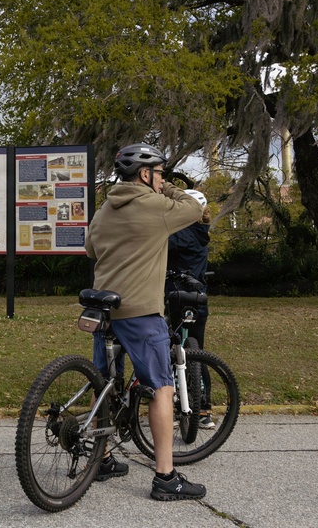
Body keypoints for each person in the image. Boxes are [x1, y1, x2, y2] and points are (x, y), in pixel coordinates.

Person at [84, 143, 205, 500]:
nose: (163, 179)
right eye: (160, 173)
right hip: (140, 311)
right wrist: (167, 188)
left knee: (104, 383)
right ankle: (166, 477)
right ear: (145, 174)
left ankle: (102, 458)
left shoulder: (104, 210)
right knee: (162, 388)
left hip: (103, 308)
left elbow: (91, 249)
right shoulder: (156, 205)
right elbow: (195, 208)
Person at [168, 189, 214, 428]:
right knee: (196, 353)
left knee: (177, 353)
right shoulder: (199, 232)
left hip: (179, 299)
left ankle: (187, 406)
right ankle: (203, 407)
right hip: (197, 300)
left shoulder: (182, 235)